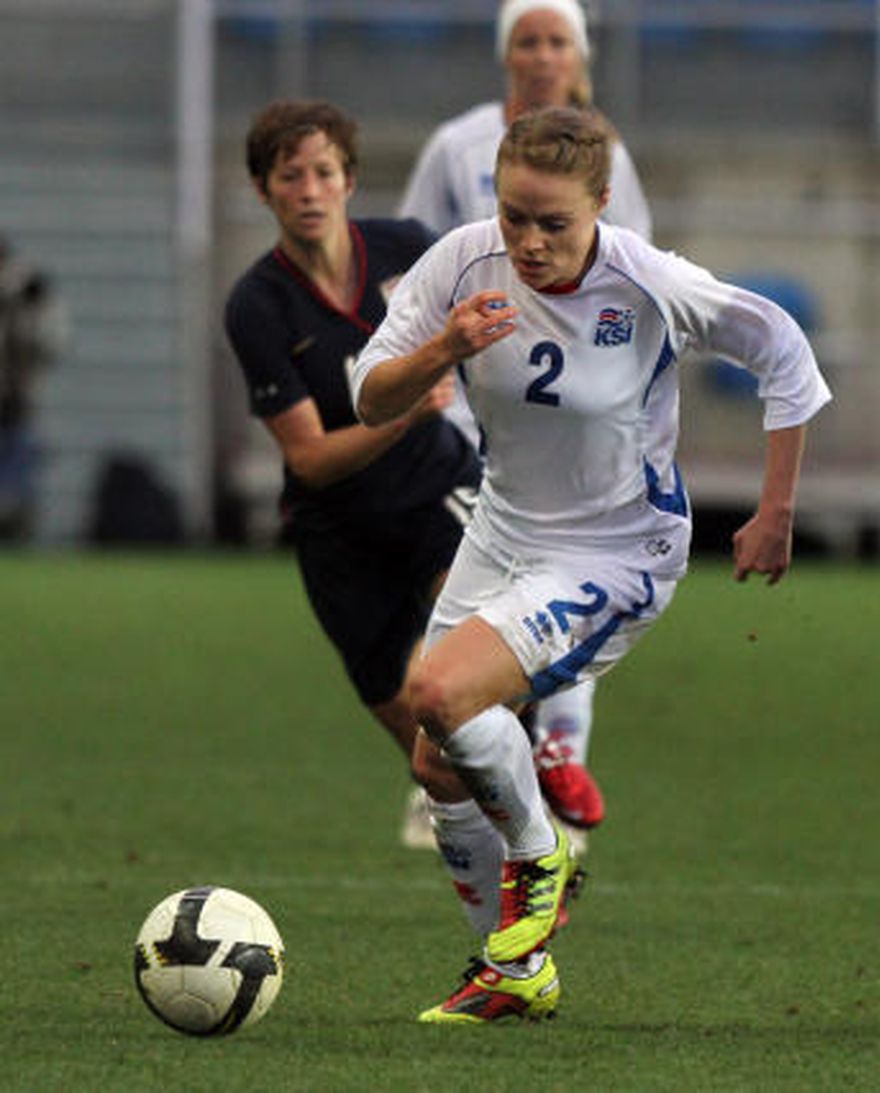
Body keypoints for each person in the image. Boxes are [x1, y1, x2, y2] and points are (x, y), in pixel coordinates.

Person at [351, 104, 830, 1023]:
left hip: (615, 549)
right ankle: (513, 969)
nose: (528, 241)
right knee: (439, 766)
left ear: (602, 204)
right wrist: (443, 348)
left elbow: (783, 349)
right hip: (501, 532)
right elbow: (370, 399)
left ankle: (542, 855)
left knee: (440, 695)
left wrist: (777, 509)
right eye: (512, 215)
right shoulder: (459, 262)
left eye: (553, 222)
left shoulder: (643, 278)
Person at [396, 0, 654, 853]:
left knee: (559, 598)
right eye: (527, 41)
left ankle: (553, 761)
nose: (542, 56)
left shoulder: (605, 157)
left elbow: (640, 282)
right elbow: (412, 258)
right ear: (506, 54)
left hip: (569, 423)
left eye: (557, 41)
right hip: (470, 411)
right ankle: (457, 769)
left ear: (578, 55)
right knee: (455, 591)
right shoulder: (457, 147)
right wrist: (429, 360)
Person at [222, 100, 479, 818]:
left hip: (437, 484)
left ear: (350, 179)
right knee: (407, 720)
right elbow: (309, 459)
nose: (308, 190)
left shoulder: (407, 248)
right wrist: (406, 403)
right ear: (262, 188)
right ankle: (476, 831)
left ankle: (531, 822)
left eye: (323, 172)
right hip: (339, 524)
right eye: (289, 176)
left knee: (471, 650)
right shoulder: (257, 305)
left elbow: (485, 316)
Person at [0, 234, 67, 540]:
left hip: (18, 399)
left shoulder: (29, 287)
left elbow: (53, 343)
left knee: (19, 482)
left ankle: (17, 534)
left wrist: (26, 309)